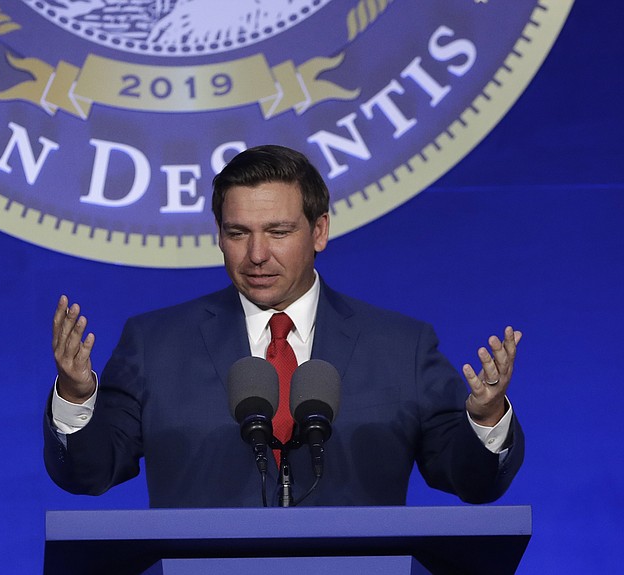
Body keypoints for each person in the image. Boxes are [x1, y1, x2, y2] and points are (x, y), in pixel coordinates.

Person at [43, 145, 523, 508]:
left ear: (319, 232)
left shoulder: (401, 347)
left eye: (278, 232)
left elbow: (470, 481)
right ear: (219, 237)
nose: (256, 254)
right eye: (238, 233)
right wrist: (76, 394)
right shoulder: (155, 344)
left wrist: (485, 418)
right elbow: (89, 473)